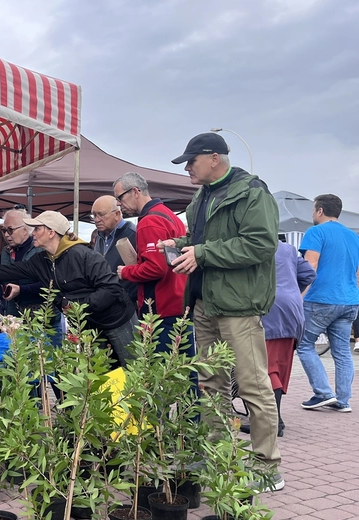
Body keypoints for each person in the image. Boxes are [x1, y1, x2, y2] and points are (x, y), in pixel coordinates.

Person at [161, 132, 284, 491]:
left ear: (214, 157)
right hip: (204, 302)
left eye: (191, 160)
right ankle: (217, 455)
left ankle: (266, 466)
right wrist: (180, 244)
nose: (187, 167)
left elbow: (260, 244)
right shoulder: (201, 197)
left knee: (253, 386)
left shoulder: (251, 191)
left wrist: (201, 253)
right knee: (211, 385)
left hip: (238, 306)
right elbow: (204, 241)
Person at [0, 210, 138, 367]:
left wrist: (77, 306)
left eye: (37, 229)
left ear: (51, 232)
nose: (33, 233)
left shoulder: (84, 255)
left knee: (133, 371)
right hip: (90, 325)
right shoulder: (43, 261)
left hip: (117, 320)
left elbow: (111, 289)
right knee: (103, 373)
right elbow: (8, 271)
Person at [241, 238, 316, 437]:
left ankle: (271, 422)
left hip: (268, 309)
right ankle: (273, 419)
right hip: (293, 309)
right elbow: (309, 273)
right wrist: (291, 290)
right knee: (280, 367)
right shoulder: (288, 249)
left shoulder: (251, 245)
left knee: (267, 369)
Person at [296, 194, 359, 413]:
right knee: (342, 351)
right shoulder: (353, 237)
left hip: (321, 298)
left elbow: (309, 266)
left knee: (304, 344)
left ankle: (323, 393)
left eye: (313, 210)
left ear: (320, 211)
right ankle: (343, 400)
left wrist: (299, 295)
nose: (312, 214)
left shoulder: (315, 232)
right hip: (349, 300)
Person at [112, 172, 188, 351]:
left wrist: (126, 272)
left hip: (161, 309)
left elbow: (156, 268)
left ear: (135, 191)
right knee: (182, 368)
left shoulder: (149, 221)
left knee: (162, 371)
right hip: (178, 303)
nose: (118, 204)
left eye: (120, 197)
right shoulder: (170, 215)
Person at [91, 195, 138, 302]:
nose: (96, 220)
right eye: (94, 215)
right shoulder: (100, 237)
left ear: (117, 214)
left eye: (101, 215)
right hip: (106, 302)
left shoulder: (133, 234)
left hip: (128, 303)